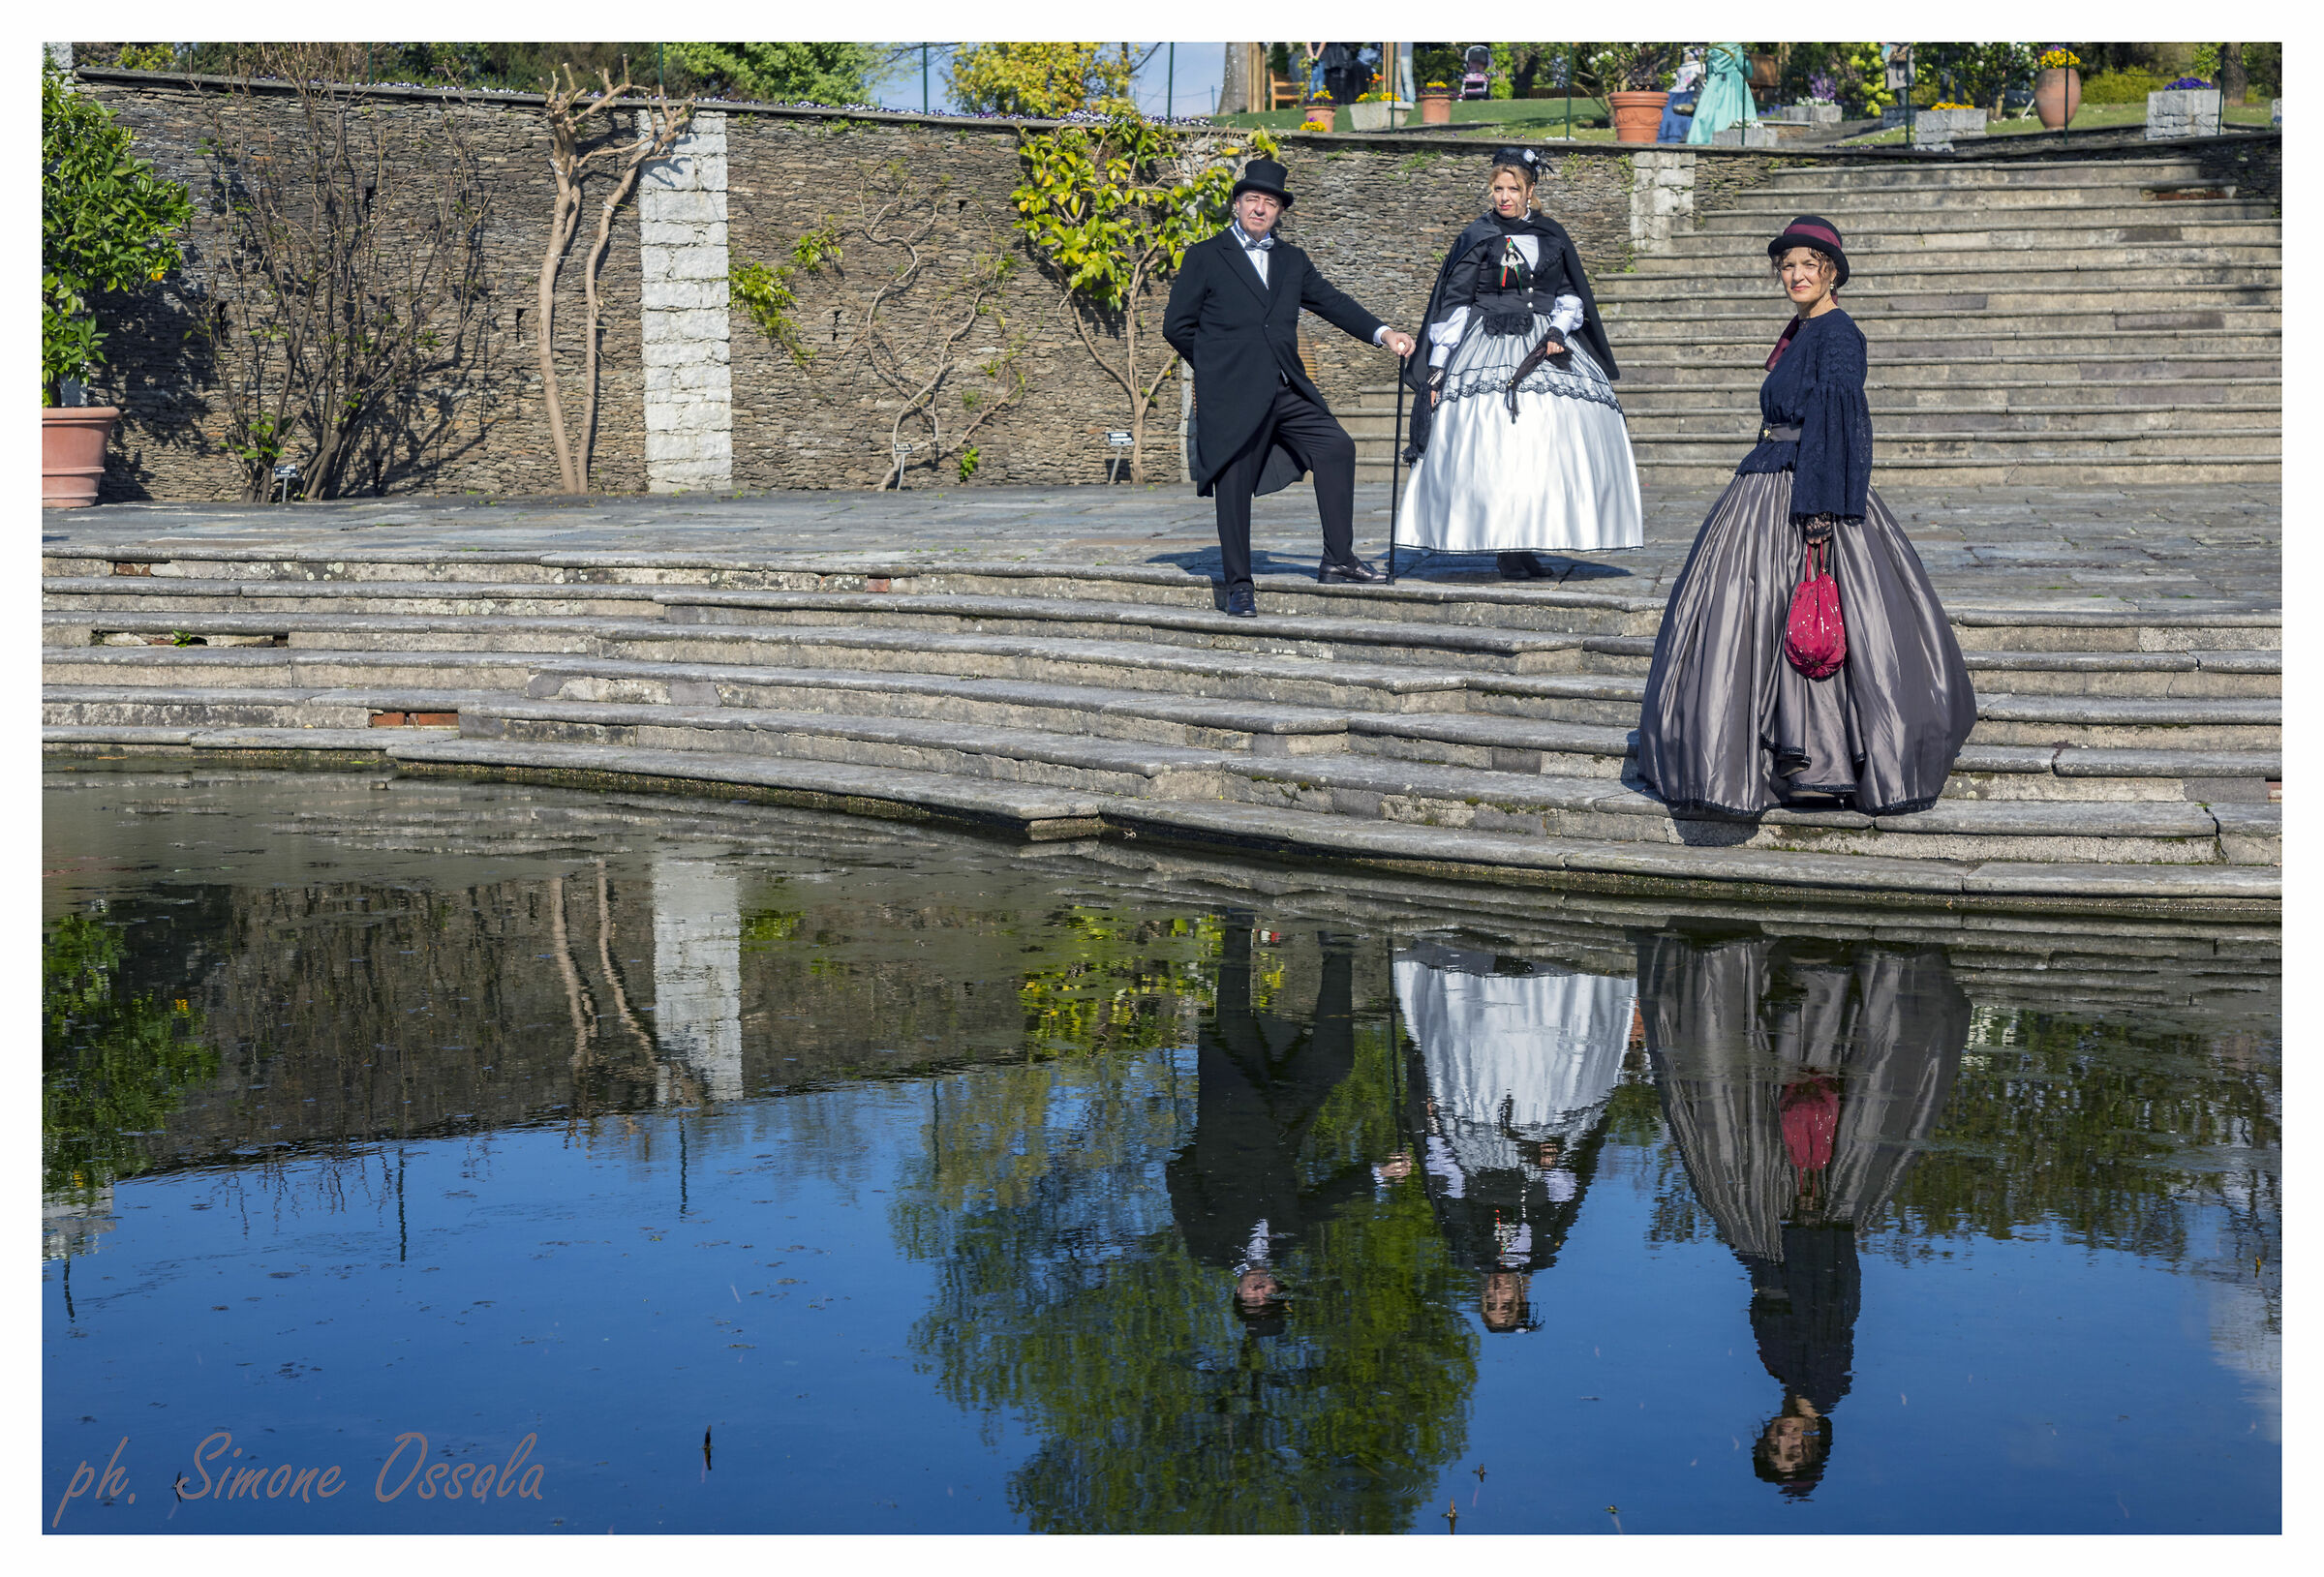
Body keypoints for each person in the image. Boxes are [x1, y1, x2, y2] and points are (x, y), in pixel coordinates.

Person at [1636, 217, 1975, 817]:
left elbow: (1841, 423)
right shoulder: (1801, 331)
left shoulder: (1838, 334)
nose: (1795, 275)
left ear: (1832, 273)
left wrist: (1818, 512)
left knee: (1815, 620)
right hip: (1767, 479)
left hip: (1806, 490)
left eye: (1808, 266)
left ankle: (1821, 760)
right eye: (1787, 266)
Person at [1636, 925, 1970, 1498]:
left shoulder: (1785, 1374)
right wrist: (1813, 1226)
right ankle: (1820, 984)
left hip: (1768, 1232)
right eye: (1794, 1448)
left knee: (1735, 1119)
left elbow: (1784, 1300)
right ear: (1816, 1440)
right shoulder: (1826, 1379)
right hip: (1800, 1227)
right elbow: (1834, 1297)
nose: (1783, 1437)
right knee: (1776, 1115)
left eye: (1774, 1445)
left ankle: (1776, 981)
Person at [1164, 158, 1418, 617]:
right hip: (1232, 393)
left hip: (1285, 389)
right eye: (1253, 200)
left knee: (1337, 447)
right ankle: (1239, 584)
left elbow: (1333, 303)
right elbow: (1177, 326)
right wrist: (1217, 369)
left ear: (1279, 210)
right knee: (1234, 484)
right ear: (1237, 204)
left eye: (1270, 202)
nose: (1260, 209)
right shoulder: (1204, 256)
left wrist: (1384, 334)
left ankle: (1337, 559)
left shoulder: (1291, 260)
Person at [1395, 148, 1643, 580]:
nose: (1505, 197)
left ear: (1531, 190)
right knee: (1498, 440)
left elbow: (1569, 293)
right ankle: (1505, 543)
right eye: (1498, 189)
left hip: (1543, 339)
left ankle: (1526, 540)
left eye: (1513, 189)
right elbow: (1454, 304)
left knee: (1542, 440)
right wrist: (1437, 366)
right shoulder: (1477, 235)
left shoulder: (1551, 235)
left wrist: (1558, 332)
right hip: (1485, 343)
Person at [1686, 44, 1758, 144]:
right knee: (1736, 109)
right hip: (1734, 83)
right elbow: (1747, 71)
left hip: (1714, 82)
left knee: (1708, 111)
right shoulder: (1735, 47)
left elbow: (1709, 72)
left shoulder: (1713, 48)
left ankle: (1703, 138)